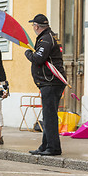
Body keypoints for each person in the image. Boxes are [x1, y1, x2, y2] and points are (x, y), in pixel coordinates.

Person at [25, 14, 66, 156]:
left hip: (51, 82)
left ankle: (53, 148)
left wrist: (28, 53)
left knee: (49, 116)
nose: (33, 28)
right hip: (51, 82)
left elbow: (38, 58)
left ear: (37, 26)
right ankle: (45, 146)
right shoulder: (50, 36)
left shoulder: (46, 39)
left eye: (33, 26)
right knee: (48, 115)